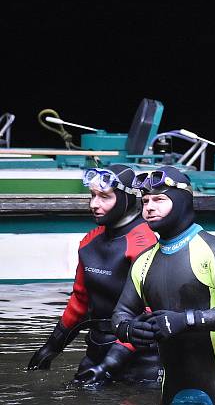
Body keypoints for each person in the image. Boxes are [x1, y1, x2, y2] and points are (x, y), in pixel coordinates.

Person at [110, 166, 215, 405]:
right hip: (172, 387)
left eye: (159, 200)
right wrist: (129, 329)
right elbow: (120, 314)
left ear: (182, 202)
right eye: (145, 201)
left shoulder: (214, 250)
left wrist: (186, 320)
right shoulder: (143, 261)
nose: (149, 207)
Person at [27, 164, 160, 386]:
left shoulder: (145, 242)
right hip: (97, 350)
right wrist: (52, 347)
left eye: (104, 197)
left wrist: (110, 363)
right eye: (92, 196)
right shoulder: (90, 241)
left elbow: (150, 314)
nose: (94, 205)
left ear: (127, 199)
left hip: (141, 359)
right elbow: (79, 302)